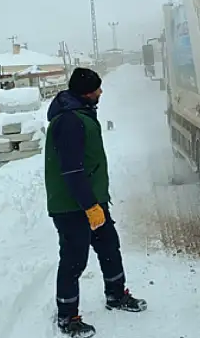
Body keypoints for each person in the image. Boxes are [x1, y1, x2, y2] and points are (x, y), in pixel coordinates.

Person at [44, 67, 147, 337]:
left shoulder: (81, 115)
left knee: (109, 246)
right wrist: (89, 206)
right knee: (74, 260)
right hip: (71, 206)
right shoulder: (69, 121)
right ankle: (67, 316)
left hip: (91, 201)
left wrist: (95, 204)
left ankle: (116, 295)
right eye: (97, 89)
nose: (101, 92)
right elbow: (71, 170)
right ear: (85, 92)